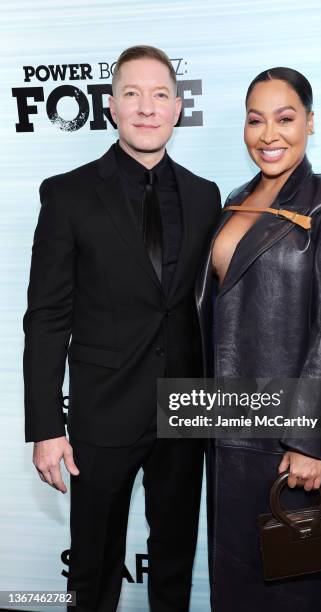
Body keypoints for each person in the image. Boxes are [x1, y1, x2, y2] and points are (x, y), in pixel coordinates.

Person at [23, 45, 220, 612]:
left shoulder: (207, 196)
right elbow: (47, 316)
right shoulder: (67, 194)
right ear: (111, 106)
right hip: (101, 413)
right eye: (131, 94)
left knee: (176, 560)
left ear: (178, 108)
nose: (146, 107)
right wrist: (45, 425)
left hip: (187, 409)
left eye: (160, 94)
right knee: (94, 568)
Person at [195, 67, 321, 611]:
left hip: (289, 446)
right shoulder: (234, 198)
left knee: (289, 592)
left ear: (311, 122)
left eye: (285, 117)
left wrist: (308, 440)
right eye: (256, 120)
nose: (269, 134)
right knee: (234, 589)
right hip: (227, 430)